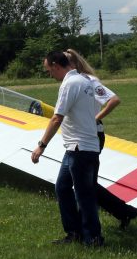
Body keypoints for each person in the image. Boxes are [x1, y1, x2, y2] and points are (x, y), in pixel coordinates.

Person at [31, 51, 104, 247]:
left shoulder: (70, 84)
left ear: (56, 65)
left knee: (84, 195)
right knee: (62, 188)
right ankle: (74, 233)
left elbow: (57, 118)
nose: (50, 75)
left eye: (49, 71)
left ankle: (93, 238)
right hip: (77, 147)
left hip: (80, 148)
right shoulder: (84, 81)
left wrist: (41, 146)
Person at [65, 49, 137, 229]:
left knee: (86, 185)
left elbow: (113, 100)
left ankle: (122, 213)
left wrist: (95, 118)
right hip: (79, 137)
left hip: (92, 136)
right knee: (84, 184)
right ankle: (124, 212)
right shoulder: (73, 82)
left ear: (73, 64)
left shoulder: (89, 81)